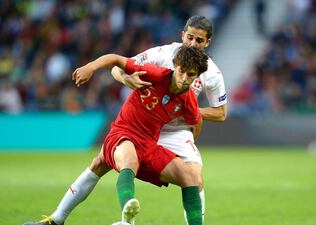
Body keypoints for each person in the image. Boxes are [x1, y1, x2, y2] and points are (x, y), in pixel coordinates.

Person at [23, 15, 227, 225]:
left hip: (175, 130)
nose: (193, 43)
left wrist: (180, 110)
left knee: (193, 177)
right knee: (101, 162)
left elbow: (218, 114)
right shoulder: (160, 58)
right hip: (133, 127)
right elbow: (117, 66)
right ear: (182, 35)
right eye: (190, 37)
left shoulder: (209, 75)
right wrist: (125, 78)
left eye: (199, 40)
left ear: (207, 42)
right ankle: (57, 219)